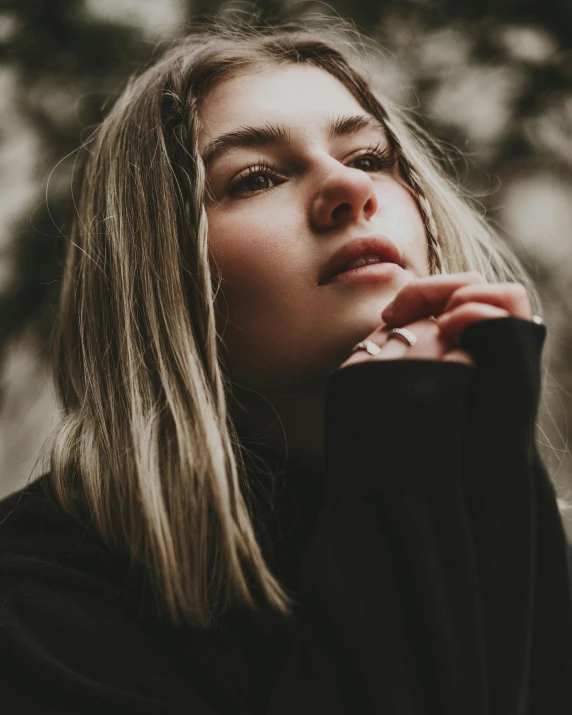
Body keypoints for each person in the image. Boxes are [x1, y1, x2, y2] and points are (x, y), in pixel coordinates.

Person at [0, 16, 571, 714]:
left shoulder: (526, 531)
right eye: (257, 177)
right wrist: (402, 459)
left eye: (368, 157)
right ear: (162, 269)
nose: (348, 189)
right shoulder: (44, 594)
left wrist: (494, 476)